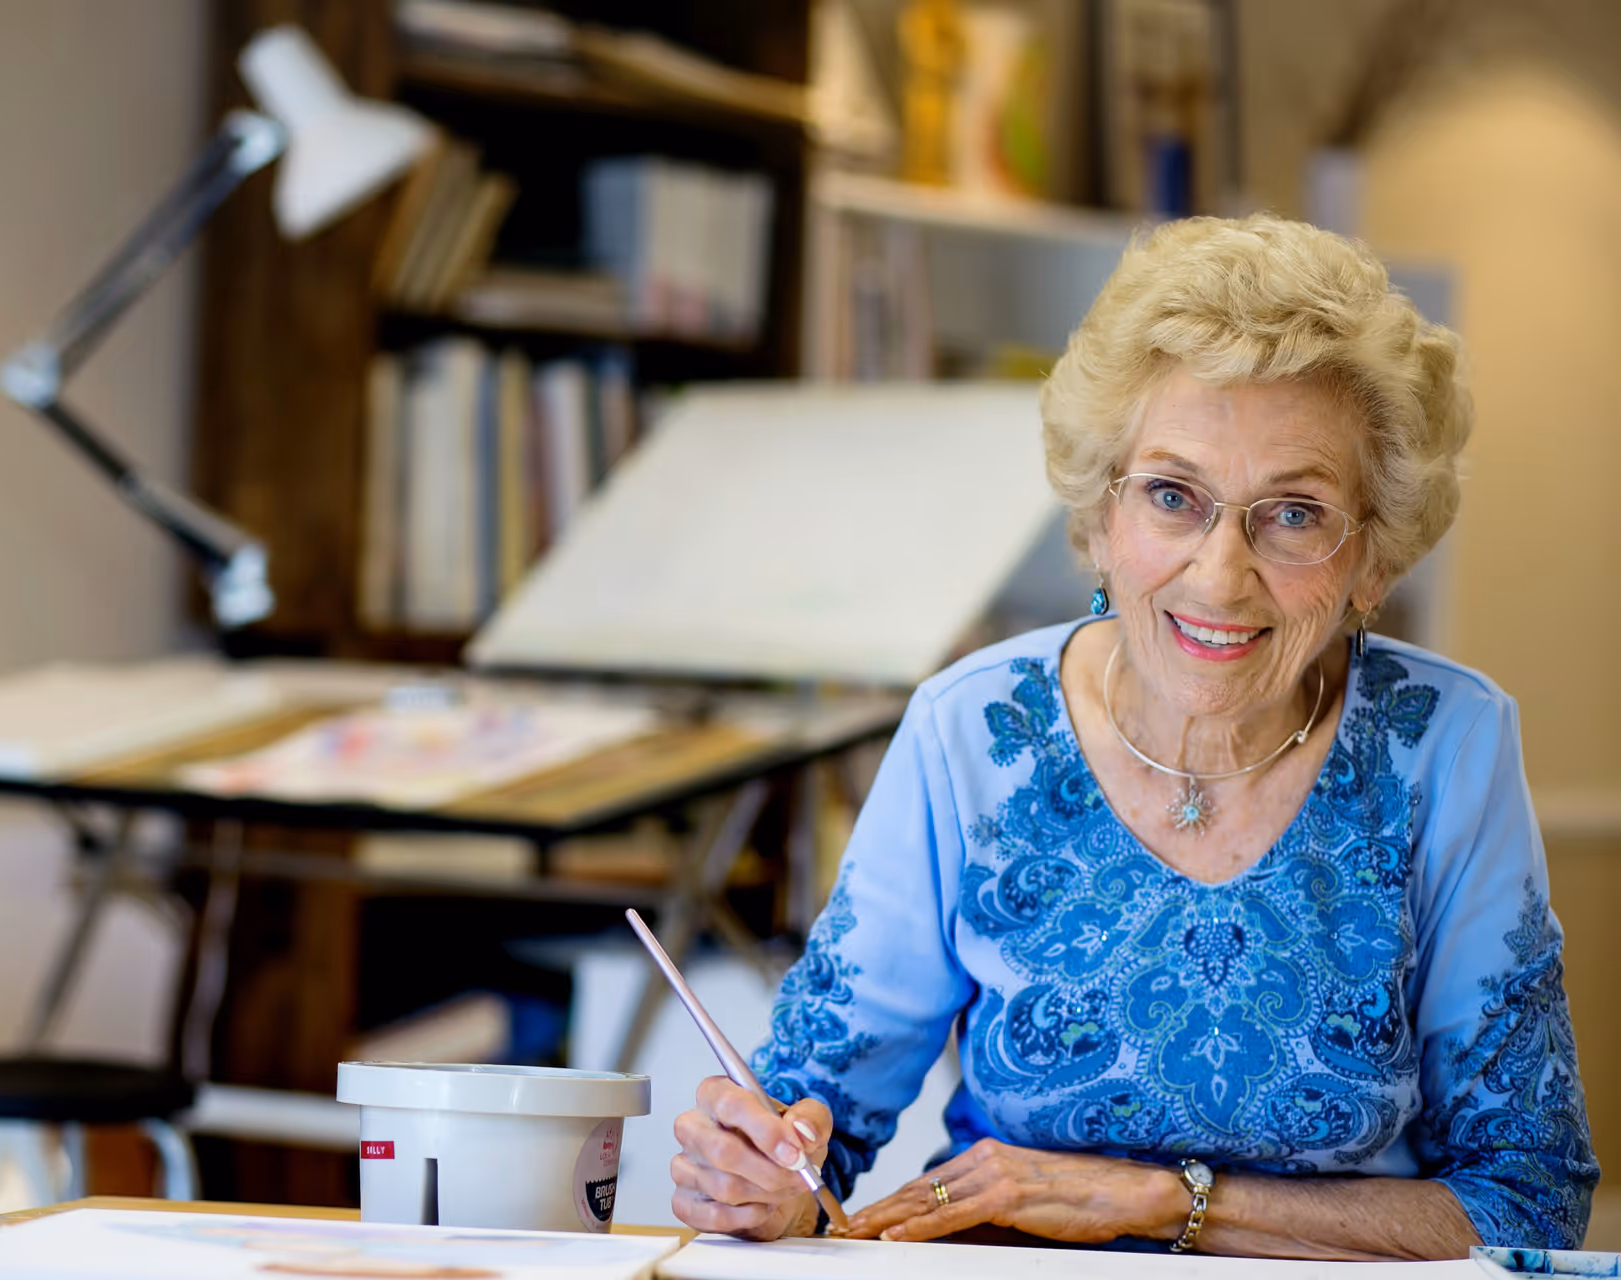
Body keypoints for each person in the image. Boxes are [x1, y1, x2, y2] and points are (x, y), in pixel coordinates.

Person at [667, 215, 1598, 1259]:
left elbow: (1531, 1201)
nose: (1219, 574)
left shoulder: (1448, 748)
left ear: (1372, 559)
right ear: (1100, 518)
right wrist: (758, 1172)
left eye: (1293, 513)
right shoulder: (971, 732)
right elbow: (809, 1129)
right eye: (1172, 496)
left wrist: (1166, 1201)